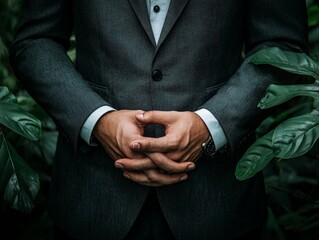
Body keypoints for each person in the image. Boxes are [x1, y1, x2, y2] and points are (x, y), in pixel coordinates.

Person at [9, 0, 308, 239]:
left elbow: (282, 45)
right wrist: (97, 120)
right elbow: (36, 40)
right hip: (93, 202)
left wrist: (210, 124)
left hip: (216, 204)